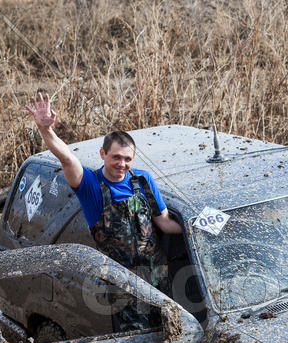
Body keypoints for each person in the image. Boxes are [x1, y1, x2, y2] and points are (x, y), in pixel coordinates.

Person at [25, 92, 182, 294]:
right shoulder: (89, 185)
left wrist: (202, 226)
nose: (122, 164)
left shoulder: (142, 180)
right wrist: (45, 129)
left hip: (158, 278)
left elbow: (166, 223)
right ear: (103, 154)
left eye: (127, 159)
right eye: (116, 157)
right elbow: (66, 158)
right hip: (123, 286)